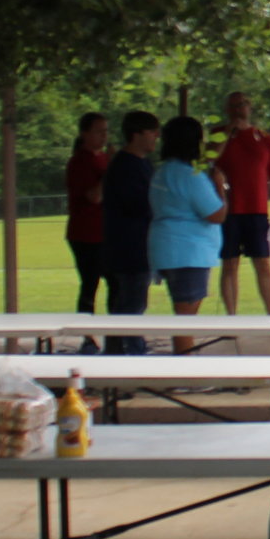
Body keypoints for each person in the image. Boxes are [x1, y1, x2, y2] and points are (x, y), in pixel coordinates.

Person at [147, 114, 226, 352]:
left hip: (168, 247)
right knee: (186, 318)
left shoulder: (162, 172)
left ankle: (185, 359)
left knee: (183, 313)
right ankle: (184, 364)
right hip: (189, 252)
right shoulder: (190, 176)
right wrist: (220, 186)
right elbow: (216, 214)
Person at [211, 91, 270, 316]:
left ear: (249, 107)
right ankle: (231, 317)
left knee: (263, 263)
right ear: (227, 110)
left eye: (242, 105)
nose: (238, 110)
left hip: (256, 210)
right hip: (227, 211)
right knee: (229, 265)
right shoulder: (217, 135)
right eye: (233, 106)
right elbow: (208, 161)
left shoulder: (264, 138)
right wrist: (228, 133)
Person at [100, 110, 160, 355]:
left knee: (133, 302)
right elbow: (139, 205)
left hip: (140, 245)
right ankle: (129, 354)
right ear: (137, 134)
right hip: (129, 248)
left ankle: (123, 351)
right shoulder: (125, 166)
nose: (156, 137)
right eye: (152, 132)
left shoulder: (143, 164)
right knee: (130, 305)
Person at [63, 112, 110, 316]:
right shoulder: (79, 162)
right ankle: (86, 328)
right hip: (86, 233)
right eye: (99, 132)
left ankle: (115, 328)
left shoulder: (103, 158)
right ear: (84, 134)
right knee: (91, 283)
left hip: (105, 231)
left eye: (106, 131)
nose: (104, 136)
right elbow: (94, 196)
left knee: (116, 281)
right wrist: (110, 172)